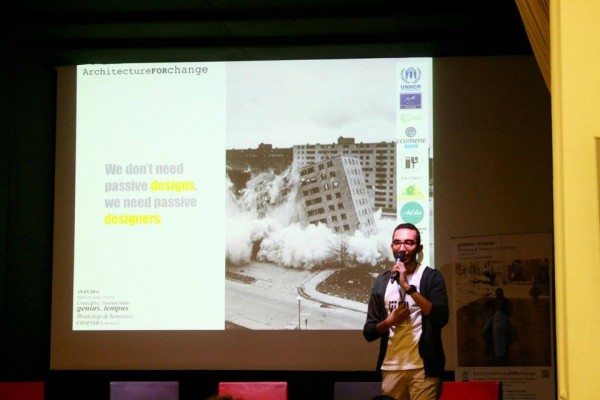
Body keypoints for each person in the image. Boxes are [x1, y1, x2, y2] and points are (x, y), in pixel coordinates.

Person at [363, 223, 449, 400]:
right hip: (391, 367)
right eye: (397, 242)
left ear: (419, 248)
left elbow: (440, 317)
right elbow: (369, 332)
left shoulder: (431, 277)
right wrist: (389, 322)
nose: (402, 248)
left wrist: (407, 287)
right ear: (392, 247)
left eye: (409, 243)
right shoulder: (382, 281)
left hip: (423, 367)